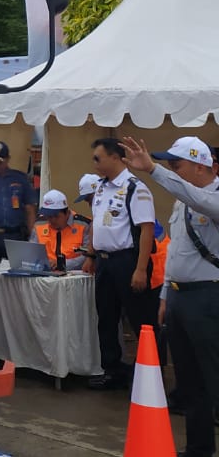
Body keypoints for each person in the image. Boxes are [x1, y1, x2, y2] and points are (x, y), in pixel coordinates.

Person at [121, 134, 219, 457]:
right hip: (181, 297)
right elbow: (177, 249)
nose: (172, 171)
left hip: (211, 297)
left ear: (199, 165)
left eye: (176, 165)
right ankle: (198, 456)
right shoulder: (185, 202)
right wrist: (165, 293)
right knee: (191, 384)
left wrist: (154, 172)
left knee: (215, 382)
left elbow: (201, 200)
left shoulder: (211, 197)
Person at [87, 136, 159, 390]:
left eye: (98, 158)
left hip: (128, 260)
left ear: (115, 157)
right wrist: (91, 255)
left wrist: (140, 269)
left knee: (141, 319)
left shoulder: (134, 188)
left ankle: (152, 376)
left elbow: (146, 230)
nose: (94, 163)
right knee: (106, 318)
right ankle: (113, 370)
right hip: (105, 262)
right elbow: (98, 223)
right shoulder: (100, 187)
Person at [0, 140, 38, 260]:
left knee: (18, 271)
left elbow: (30, 208)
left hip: (15, 235)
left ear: (7, 159)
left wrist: (33, 236)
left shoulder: (20, 178)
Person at [31, 189, 91, 272]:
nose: (52, 220)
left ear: (67, 213)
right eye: (48, 216)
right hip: (46, 273)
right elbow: (32, 251)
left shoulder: (83, 225)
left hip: (74, 275)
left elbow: (88, 255)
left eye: (56, 216)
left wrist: (62, 264)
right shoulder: (39, 224)